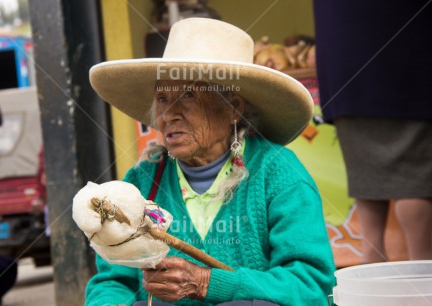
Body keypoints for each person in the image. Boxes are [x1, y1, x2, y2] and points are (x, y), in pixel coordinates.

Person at [85, 18, 335, 305]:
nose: (168, 115)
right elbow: (111, 282)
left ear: (233, 109)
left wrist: (207, 282)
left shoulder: (278, 172)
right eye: (163, 99)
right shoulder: (142, 181)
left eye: (189, 95)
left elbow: (312, 283)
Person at [313, 1, 432, 263]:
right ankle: (424, 271)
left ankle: (372, 266)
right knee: (415, 180)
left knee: (365, 178)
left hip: (346, 56)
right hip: (409, 51)